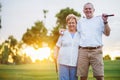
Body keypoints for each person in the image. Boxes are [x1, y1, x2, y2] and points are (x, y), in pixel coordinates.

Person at [76, 2, 111, 80]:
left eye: (89, 8)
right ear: (83, 11)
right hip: (83, 51)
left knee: (100, 76)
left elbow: (107, 33)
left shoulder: (100, 20)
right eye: (86, 9)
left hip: (96, 51)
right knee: (83, 77)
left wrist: (105, 21)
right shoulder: (80, 22)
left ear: (93, 10)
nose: (88, 10)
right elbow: (74, 33)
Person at [54, 14, 80, 80]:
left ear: (76, 23)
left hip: (74, 63)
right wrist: (55, 54)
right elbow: (57, 46)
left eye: (73, 23)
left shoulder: (80, 34)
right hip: (63, 62)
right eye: (69, 23)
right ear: (67, 24)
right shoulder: (63, 34)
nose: (71, 24)